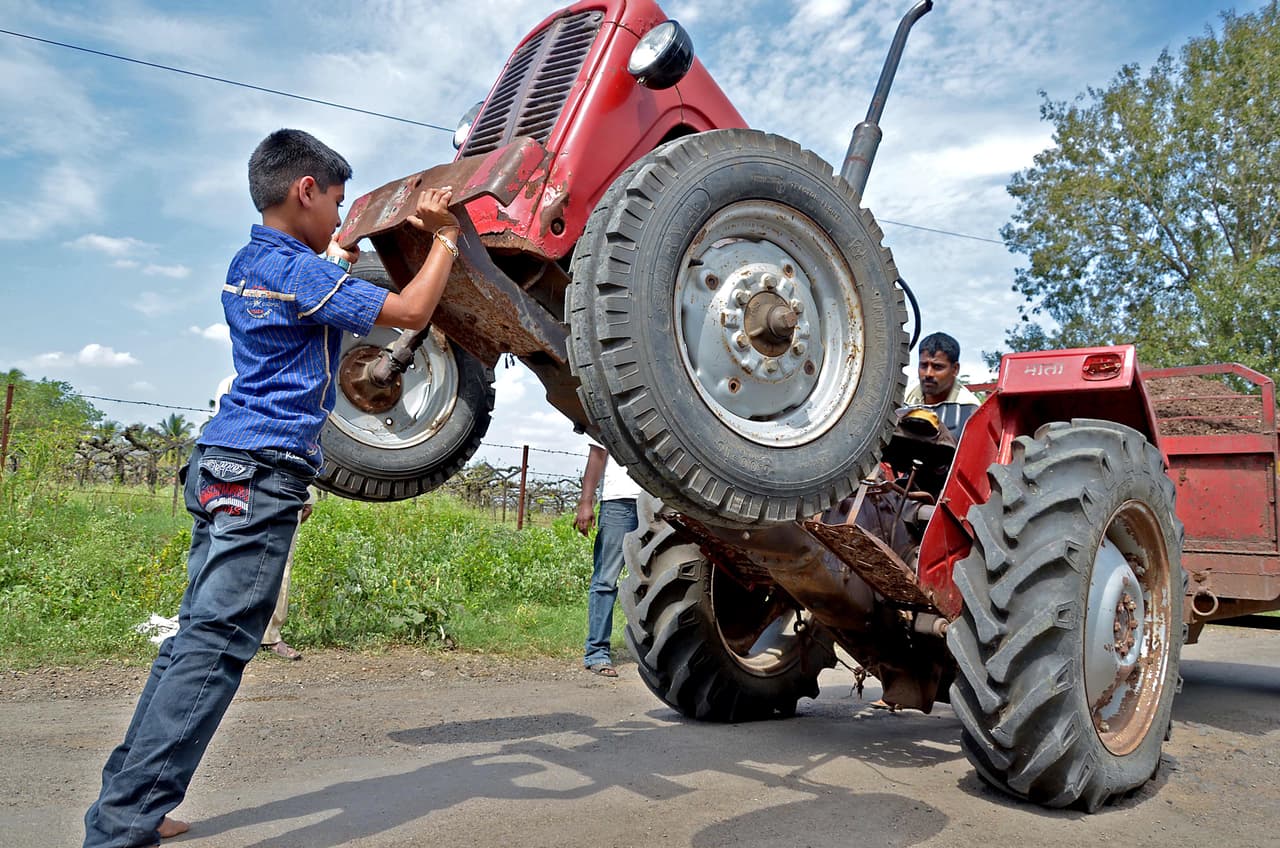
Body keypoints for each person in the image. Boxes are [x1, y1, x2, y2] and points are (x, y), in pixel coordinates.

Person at [83, 128, 461, 848]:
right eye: (338, 202)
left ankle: (131, 801)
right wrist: (443, 238)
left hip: (223, 459)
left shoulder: (253, 262)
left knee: (195, 638)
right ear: (306, 191)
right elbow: (411, 315)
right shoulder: (301, 272)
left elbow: (321, 275)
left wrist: (341, 253)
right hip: (263, 467)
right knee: (217, 646)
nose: (339, 218)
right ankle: (121, 827)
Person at [574, 444, 641, 677]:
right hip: (619, 502)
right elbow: (598, 452)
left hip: (659, 501)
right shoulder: (613, 408)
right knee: (605, 580)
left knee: (650, 580)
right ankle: (597, 652)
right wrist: (586, 502)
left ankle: (650, 651)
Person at [261, 485, 315, 660]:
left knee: (279, 564)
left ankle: (268, 636)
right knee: (278, 564)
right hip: (273, 491)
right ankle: (267, 636)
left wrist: (307, 498)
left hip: (286, 492)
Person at [903, 331, 981, 439]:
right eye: (924, 365)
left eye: (937, 367)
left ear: (955, 369)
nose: (928, 374)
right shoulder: (905, 395)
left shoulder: (970, 410)